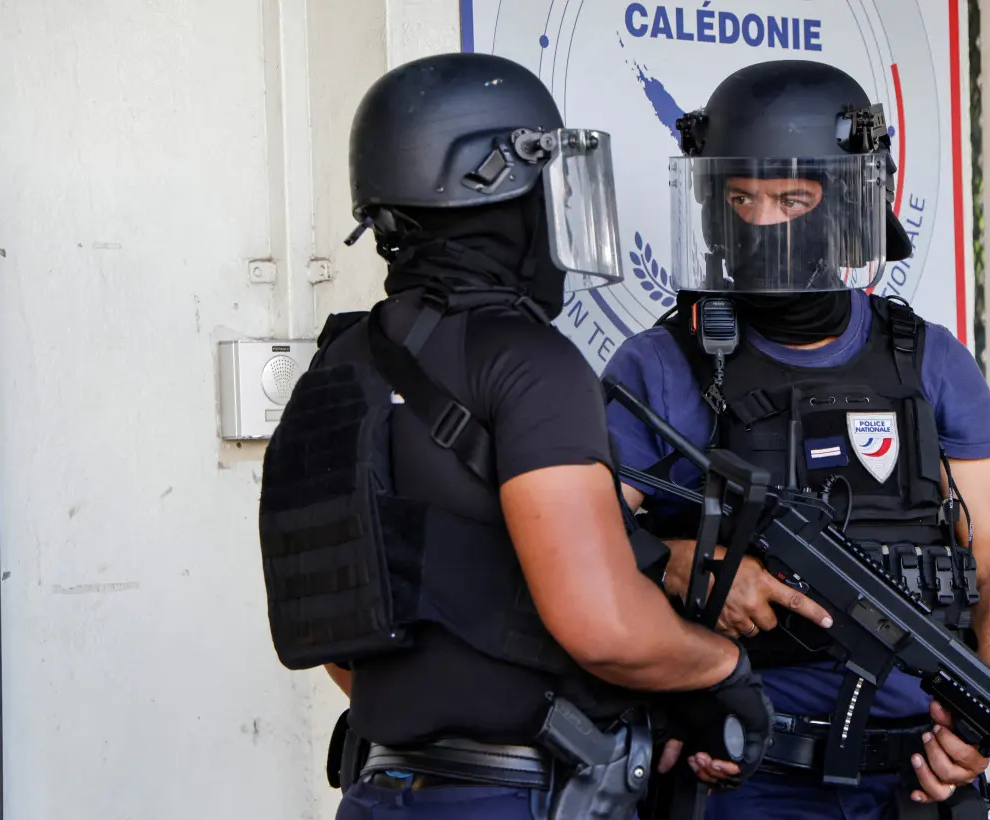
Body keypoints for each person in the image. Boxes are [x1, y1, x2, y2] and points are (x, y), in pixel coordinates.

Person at [256, 53, 773, 820]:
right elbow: (601, 627)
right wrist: (721, 669)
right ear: (504, 188)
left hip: (380, 790)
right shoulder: (528, 363)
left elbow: (335, 626)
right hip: (514, 796)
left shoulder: (339, 364)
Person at [603, 60, 990, 819]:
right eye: (741, 198)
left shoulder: (929, 360)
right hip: (741, 775)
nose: (765, 223)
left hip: (913, 777)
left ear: (843, 204)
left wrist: (977, 722)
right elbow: (577, 547)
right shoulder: (663, 362)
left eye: (792, 198)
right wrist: (681, 565)